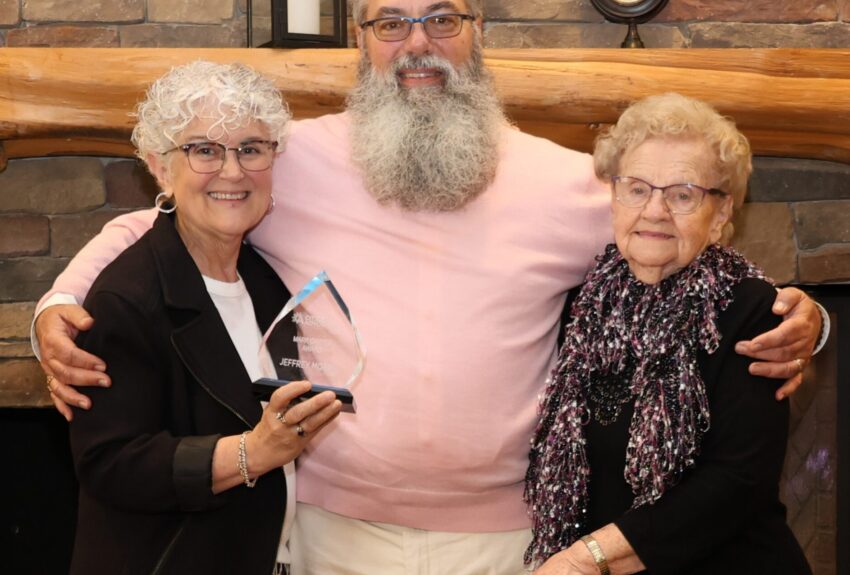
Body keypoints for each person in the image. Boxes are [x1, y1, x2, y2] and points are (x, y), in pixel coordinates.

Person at [35, 2, 823, 574]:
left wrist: (808, 318)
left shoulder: (569, 183)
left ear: (480, 32)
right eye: (391, 22)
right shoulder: (290, 160)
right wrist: (55, 305)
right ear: (361, 38)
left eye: (443, 18)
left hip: (506, 541)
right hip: (325, 528)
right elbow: (162, 216)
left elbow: (679, 236)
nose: (419, 44)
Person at [64, 61, 342, 575]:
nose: (232, 171)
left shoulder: (263, 277)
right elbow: (110, 464)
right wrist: (252, 453)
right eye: (204, 150)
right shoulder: (124, 299)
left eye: (251, 149)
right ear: (159, 166)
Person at [524, 93, 811, 575]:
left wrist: (585, 557)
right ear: (613, 196)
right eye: (636, 188)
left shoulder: (753, 310)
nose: (655, 210)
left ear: (720, 216)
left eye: (682, 194)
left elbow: (738, 482)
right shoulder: (582, 303)